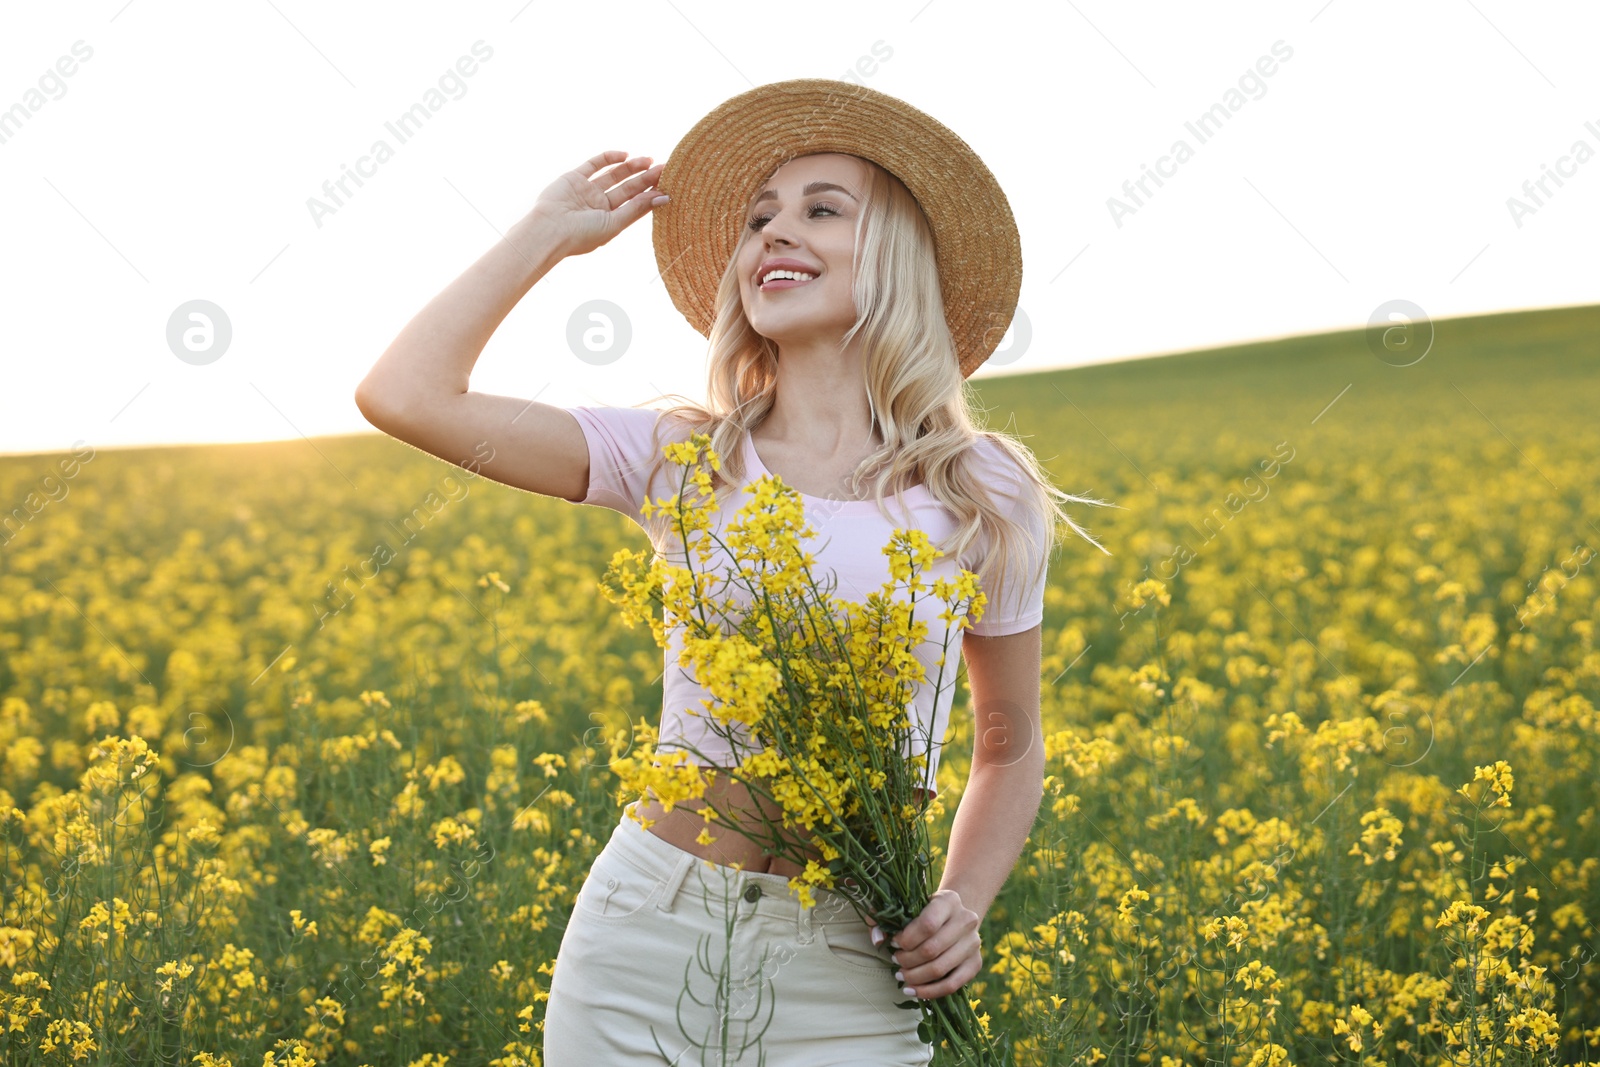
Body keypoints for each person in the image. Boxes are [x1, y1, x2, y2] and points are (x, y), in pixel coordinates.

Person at [356, 78, 1111, 1066]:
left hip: (856, 949)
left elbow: (1006, 745)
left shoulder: (981, 489)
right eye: (758, 218)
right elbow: (404, 393)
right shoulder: (682, 458)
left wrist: (960, 904)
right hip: (645, 932)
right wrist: (545, 233)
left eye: (820, 209)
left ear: (898, 257)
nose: (773, 233)